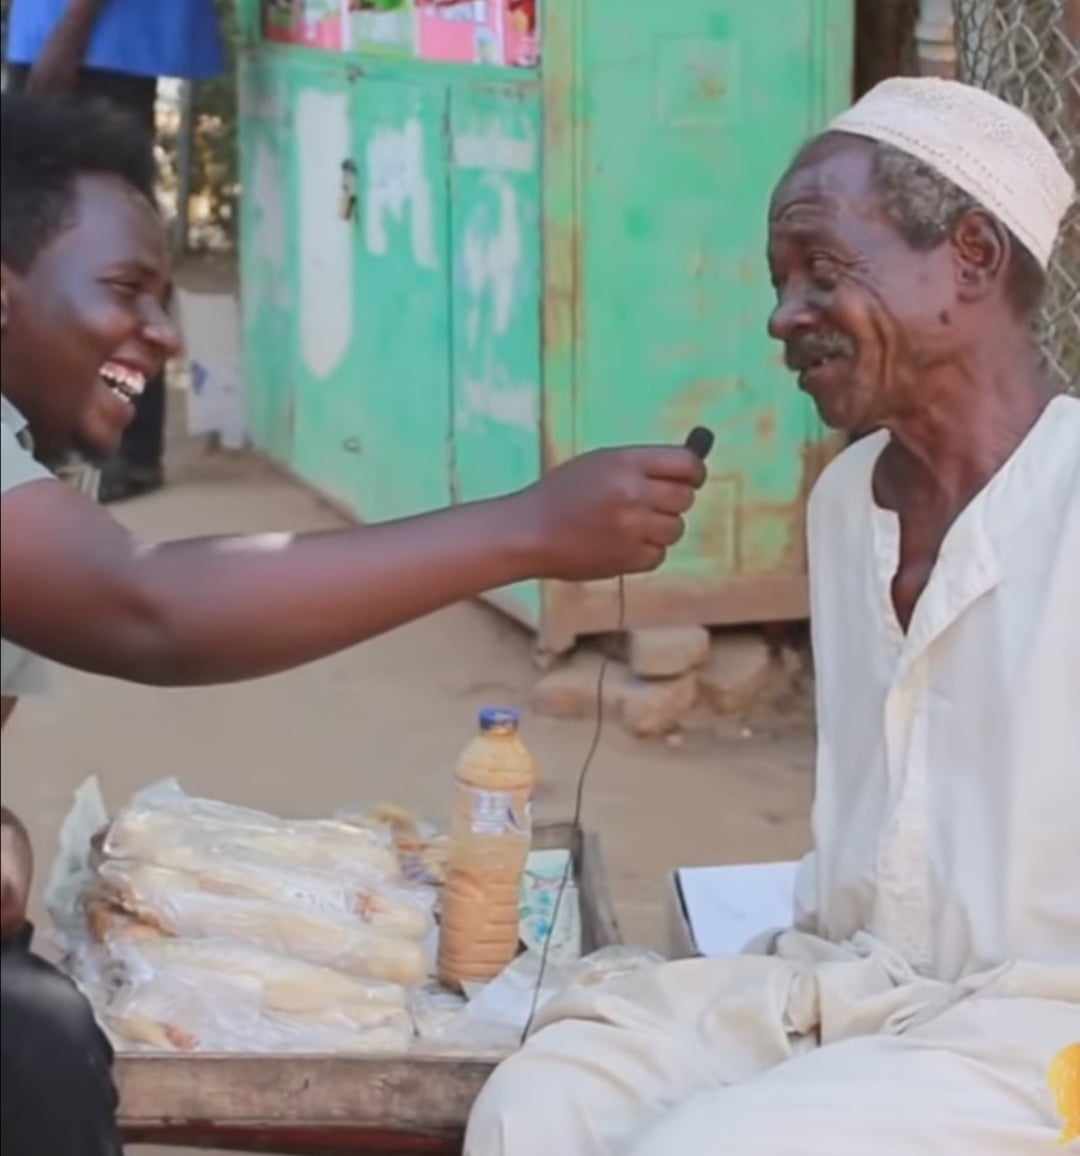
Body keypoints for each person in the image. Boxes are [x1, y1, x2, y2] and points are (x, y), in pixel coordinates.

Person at [0, 93, 707, 1154]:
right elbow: (146, 604)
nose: (162, 329)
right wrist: (526, 528)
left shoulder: (44, 457)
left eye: (164, 295)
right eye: (122, 291)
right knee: (43, 1051)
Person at [466, 77, 1079, 1156]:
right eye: (779, 280)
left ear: (972, 258)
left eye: (822, 273)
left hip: (1048, 1034)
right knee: (543, 1098)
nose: (783, 316)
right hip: (848, 983)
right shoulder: (850, 503)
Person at [5, 0, 225, 502]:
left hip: (90, 46)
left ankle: (131, 453)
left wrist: (70, 32)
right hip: (71, 40)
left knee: (104, 258)